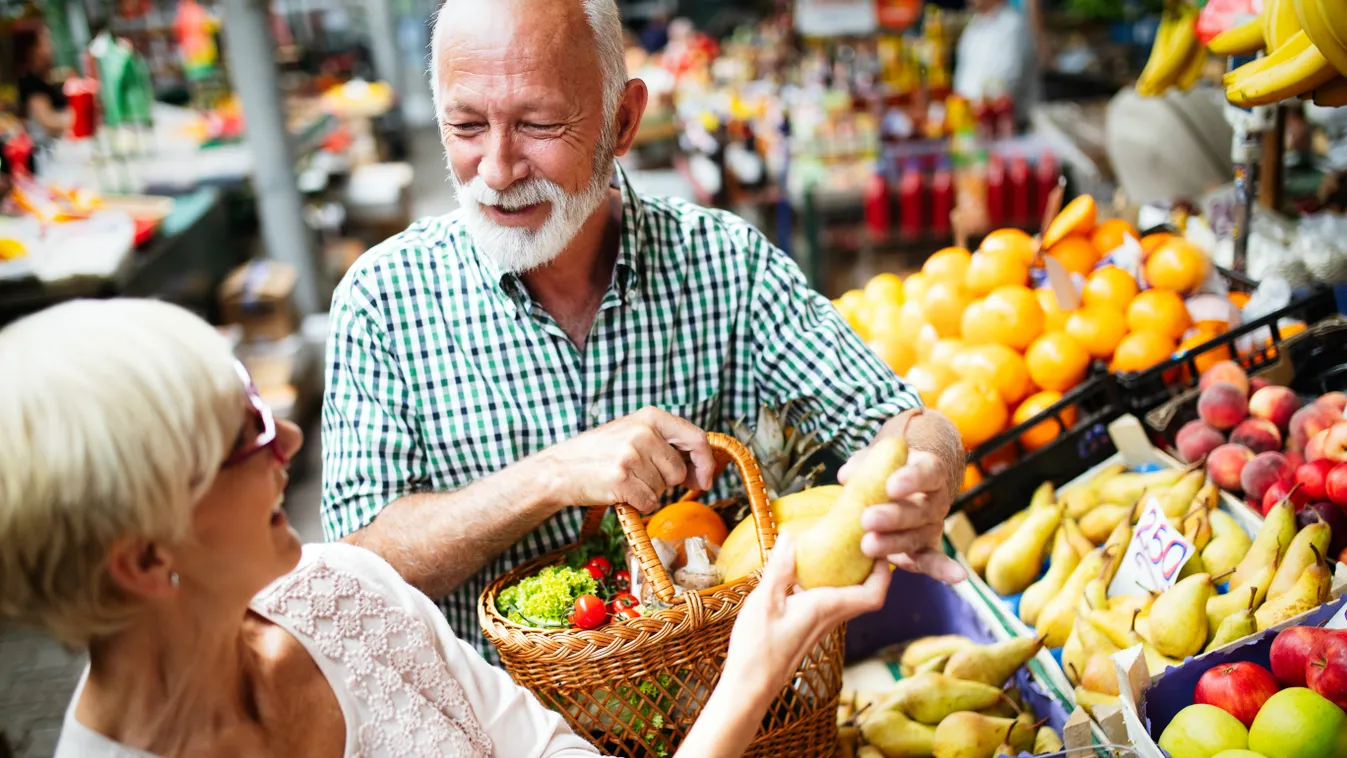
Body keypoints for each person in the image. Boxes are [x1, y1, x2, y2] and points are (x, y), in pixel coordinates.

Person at [322, 0, 968, 663]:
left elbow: (906, 423)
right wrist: (548, 478)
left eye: (539, 124)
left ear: (622, 120)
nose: (495, 169)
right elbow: (355, 573)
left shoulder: (724, 264)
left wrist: (926, 476)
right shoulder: (384, 300)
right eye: (463, 125)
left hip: (719, 717)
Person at [0, 298, 892, 758]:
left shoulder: (345, 595)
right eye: (247, 437)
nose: (293, 441)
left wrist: (748, 674)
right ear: (147, 556)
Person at [952, 0, 1043, 126]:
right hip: (971, 124)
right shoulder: (973, 28)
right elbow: (962, 81)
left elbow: (1007, 86)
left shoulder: (1013, 26)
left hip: (1012, 128)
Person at [14, 26, 73, 142]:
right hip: (50, 154)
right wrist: (80, 115)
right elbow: (48, 121)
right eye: (45, 43)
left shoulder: (42, 78)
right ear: (32, 51)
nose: (51, 48)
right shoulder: (30, 83)